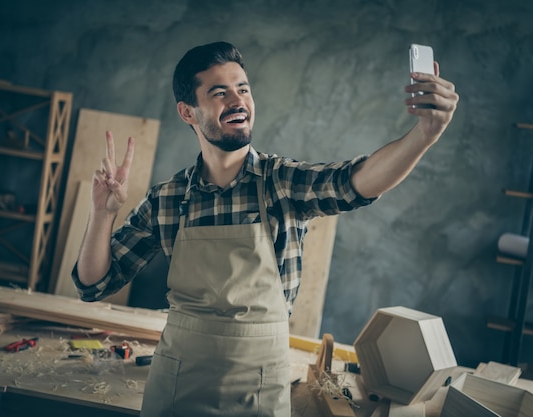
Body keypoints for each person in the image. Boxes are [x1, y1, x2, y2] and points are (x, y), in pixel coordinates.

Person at [72, 41, 458, 417]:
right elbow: (93, 285)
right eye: (219, 93)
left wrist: (425, 134)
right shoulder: (168, 199)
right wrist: (102, 213)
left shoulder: (281, 184)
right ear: (188, 112)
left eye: (243, 89)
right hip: (177, 386)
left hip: (258, 390)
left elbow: (355, 182)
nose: (237, 100)